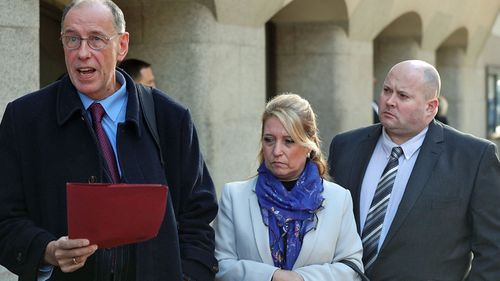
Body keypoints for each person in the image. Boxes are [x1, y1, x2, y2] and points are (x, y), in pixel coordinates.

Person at [0, 1, 218, 281]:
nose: (82, 53)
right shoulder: (24, 118)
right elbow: (5, 218)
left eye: (96, 40)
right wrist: (47, 250)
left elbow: (198, 217)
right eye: (72, 39)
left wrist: (188, 276)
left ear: (122, 45)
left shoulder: (170, 118)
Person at [328, 60, 500, 280]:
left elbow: (494, 250)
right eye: (387, 90)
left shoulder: (473, 158)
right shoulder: (345, 147)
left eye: (403, 96)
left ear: (431, 107)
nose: (389, 101)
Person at [214, 93, 363, 281]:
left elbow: (351, 268)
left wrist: (302, 279)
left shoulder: (338, 199)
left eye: (289, 141)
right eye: (269, 140)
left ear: (308, 144)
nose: (276, 151)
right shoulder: (234, 197)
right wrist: (272, 276)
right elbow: (220, 265)